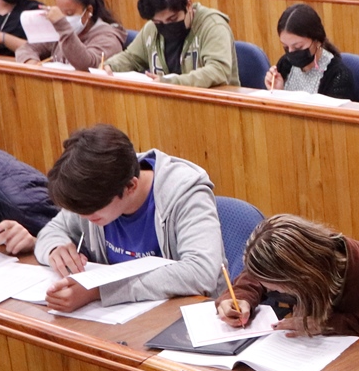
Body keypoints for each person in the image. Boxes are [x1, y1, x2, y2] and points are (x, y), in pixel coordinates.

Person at [34, 124, 226, 312]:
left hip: (189, 315)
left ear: (130, 187)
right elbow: (51, 231)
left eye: (92, 210)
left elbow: (201, 272)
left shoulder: (186, 193)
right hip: (123, 317)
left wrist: (100, 291)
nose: (83, 216)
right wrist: (55, 248)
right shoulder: (93, 189)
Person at [216, 214, 359, 353]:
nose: (272, 291)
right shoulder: (303, 263)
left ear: (303, 277)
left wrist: (331, 325)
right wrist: (239, 297)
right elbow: (255, 277)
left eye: (277, 289)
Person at [104, 0, 239, 87]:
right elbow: (132, 57)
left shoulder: (213, 26)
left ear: (188, 5)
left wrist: (171, 82)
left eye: (172, 19)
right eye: (159, 22)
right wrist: (110, 66)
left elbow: (218, 70)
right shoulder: (152, 28)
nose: (166, 26)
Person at [14, 0, 127, 70]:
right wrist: (31, 62)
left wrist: (62, 26)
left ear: (88, 11)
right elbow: (26, 48)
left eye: (69, 13)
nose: (63, 18)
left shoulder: (107, 37)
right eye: (60, 12)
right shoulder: (59, 29)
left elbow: (87, 65)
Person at [262, 4, 355, 99]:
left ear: (317, 41)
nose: (290, 52)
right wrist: (278, 92)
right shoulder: (285, 63)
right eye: (285, 46)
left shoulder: (338, 75)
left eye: (298, 47)